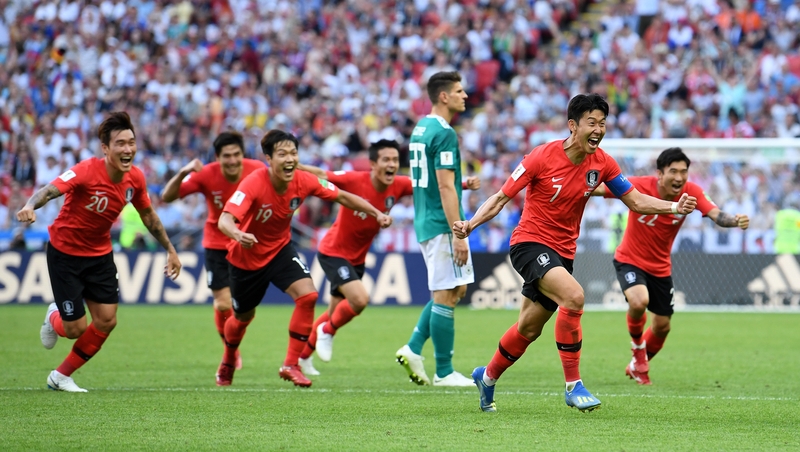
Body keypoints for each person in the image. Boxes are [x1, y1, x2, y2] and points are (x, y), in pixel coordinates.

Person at [453, 94, 697, 413]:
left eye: (603, 123)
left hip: (563, 253)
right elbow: (500, 198)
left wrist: (674, 206)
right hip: (529, 244)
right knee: (575, 296)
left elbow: (636, 200)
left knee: (529, 327)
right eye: (591, 123)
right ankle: (574, 386)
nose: (598, 129)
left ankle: (486, 377)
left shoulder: (604, 163)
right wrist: (471, 225)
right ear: (573, 126)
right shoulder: (541, 157)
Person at [17, 112, 182, 392]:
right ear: (105, 148)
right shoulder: (85, 170)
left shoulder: (136, 179)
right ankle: (54, 314)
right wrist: (30, 205)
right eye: (120, 143)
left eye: (131, 142)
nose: (127, 149)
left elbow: (148, 215)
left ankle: (60, 376)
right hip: (65, 253)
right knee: (75, 329)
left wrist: (170, 248)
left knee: (106, 320)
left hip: (100, 255)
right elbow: (50, 190)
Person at [215, 129, 392, 388]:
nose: (290, 159)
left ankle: (291, 364)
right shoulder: (254, 182)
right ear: (268, 159)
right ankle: (229, 359)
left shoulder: (305, 180)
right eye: (282, 154)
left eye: (294, 153)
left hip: (279, 251)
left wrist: (376, 212)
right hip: (246, 257)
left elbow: (342, 195)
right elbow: (225, 219)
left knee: (308, 296)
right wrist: (238, 234)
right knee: (242, 317)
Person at [295, 139, 480, 375]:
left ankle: (302, 358)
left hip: (358, 257)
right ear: (373, 164)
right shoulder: (354, 180)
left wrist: (463, 183)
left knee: (334, 313)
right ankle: (327, 332)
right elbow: (323, 173)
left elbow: (430, 186)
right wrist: (293, 165)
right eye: (386, 160)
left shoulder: (399, 184)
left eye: (395, 160)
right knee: (359, 300)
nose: (392, 164)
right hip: (333, 251)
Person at [593, 147, 749, 385]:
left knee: (663, 326)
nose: (679, 177)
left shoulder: (691, 192)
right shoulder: (638, 186)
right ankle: (638, 354)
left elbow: (716, 214)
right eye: (673, 171)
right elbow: (600, 188)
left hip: (660, 267)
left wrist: (735, 220)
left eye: (683, 172)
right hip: (629, 259)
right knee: (638, 301)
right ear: (659, 173)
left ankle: (636, 365)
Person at [394, 71, 476, 387]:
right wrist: (458, 232)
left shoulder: (421, 128)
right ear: (444, 96)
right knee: (445, 293)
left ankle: (414, 348)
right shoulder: (444, 133)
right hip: (441, 222)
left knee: (456, 289)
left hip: (426, 218)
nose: (465, 95)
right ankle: (444, 371)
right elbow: (444, 186)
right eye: (459, 90)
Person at [161, 131, 263, 370]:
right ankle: (230, 350)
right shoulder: (206, 174)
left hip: (248, 244)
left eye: (236, 154)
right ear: (217, 157)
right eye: (226, 156)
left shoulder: (257, 169)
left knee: (246, 308)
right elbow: (167, 196)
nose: (232, 160)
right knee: (223, 304)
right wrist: (184, 172)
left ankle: (232, 346)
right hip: (217, 245)